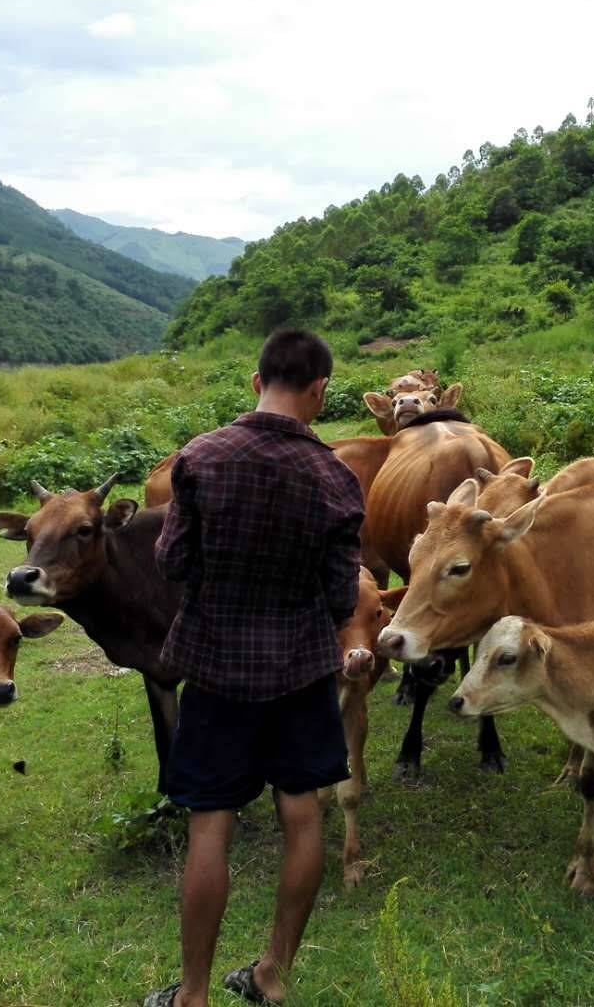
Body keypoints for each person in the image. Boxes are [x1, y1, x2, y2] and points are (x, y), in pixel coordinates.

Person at [144, 329, 366, 1007]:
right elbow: (339, 595)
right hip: (301, 671)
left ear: (255, 381)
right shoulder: (336, 477)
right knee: (303, 816)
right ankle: (272, 975)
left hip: (216, 670)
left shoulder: (200, 459)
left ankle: (194, 995)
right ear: (319, 391)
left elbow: (172, 562)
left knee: (211, 822)